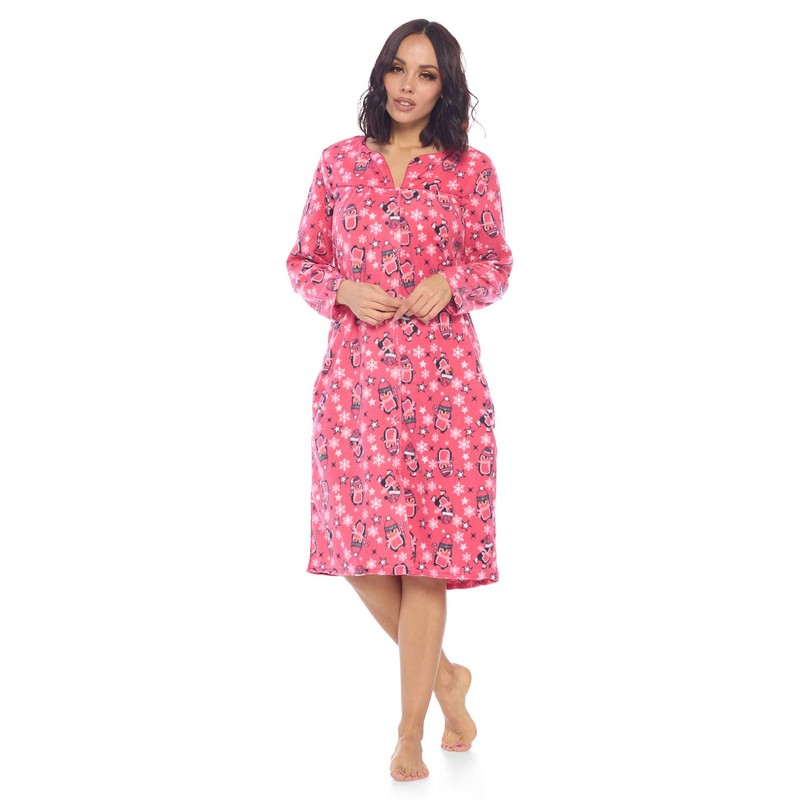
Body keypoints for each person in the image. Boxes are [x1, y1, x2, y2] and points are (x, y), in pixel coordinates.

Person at [286, 18, 513, 782]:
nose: (407, 86)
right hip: (355, 386)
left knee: (425, 563)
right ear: (380, 74)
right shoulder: (338, 163)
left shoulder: (470, 170)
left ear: (446, 88)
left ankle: (410, 733)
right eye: (397, 68)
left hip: (442, 386)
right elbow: (303, 260)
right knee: (355, 550)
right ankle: (447, 679)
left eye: (425, 74)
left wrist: (452, 280)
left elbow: (496, 264)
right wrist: (342, 289)